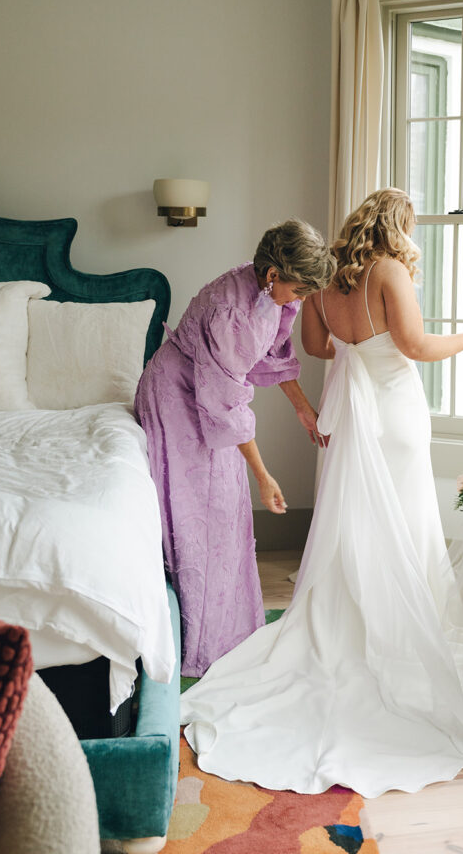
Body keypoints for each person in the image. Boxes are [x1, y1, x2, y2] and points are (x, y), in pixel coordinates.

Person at [180, 188, 463, 796]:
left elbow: (316, 348)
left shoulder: (326, 279)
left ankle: (358, 619)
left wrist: (354, 348)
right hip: (394, 411)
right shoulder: (389, 271)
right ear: (397, 228)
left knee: (354, 524)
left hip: (349, 411)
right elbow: (414, 347)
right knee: (407, 525)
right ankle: (403, 631)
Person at [135, 218, 335, 677]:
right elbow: (226, 401)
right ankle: (196, 644)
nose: (300, 300)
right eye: (299, 289)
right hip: (177, 398)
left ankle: (227, 635)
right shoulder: (235, 313)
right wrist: (264, 477)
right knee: (199, 517)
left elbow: (275, 356)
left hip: (207, 395)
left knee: (224, 514)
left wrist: (304, 410)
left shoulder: (266, 291)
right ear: (273, 274)